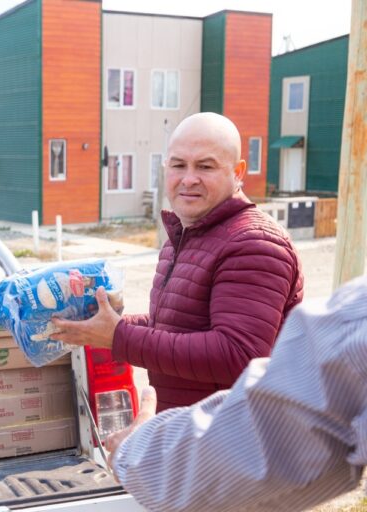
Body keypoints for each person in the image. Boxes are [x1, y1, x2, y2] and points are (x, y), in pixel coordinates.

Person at [53, 112, 304, 411]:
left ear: (237, 172)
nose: (188, 179)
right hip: (192, 435)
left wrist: (119, 336)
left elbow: (237, 354)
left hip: (236, 442)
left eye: (205, 166)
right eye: (178, 165)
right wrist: (105, 323)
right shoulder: (188, 234)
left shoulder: (255, 244)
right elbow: (177, 326)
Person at [106, 276, 367, 512]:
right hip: (202, 463)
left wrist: (139, 453)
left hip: (207, 465)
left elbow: (278, 429)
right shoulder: (180, 238)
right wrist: (118, 329)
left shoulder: (258, 244)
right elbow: (176, 324)